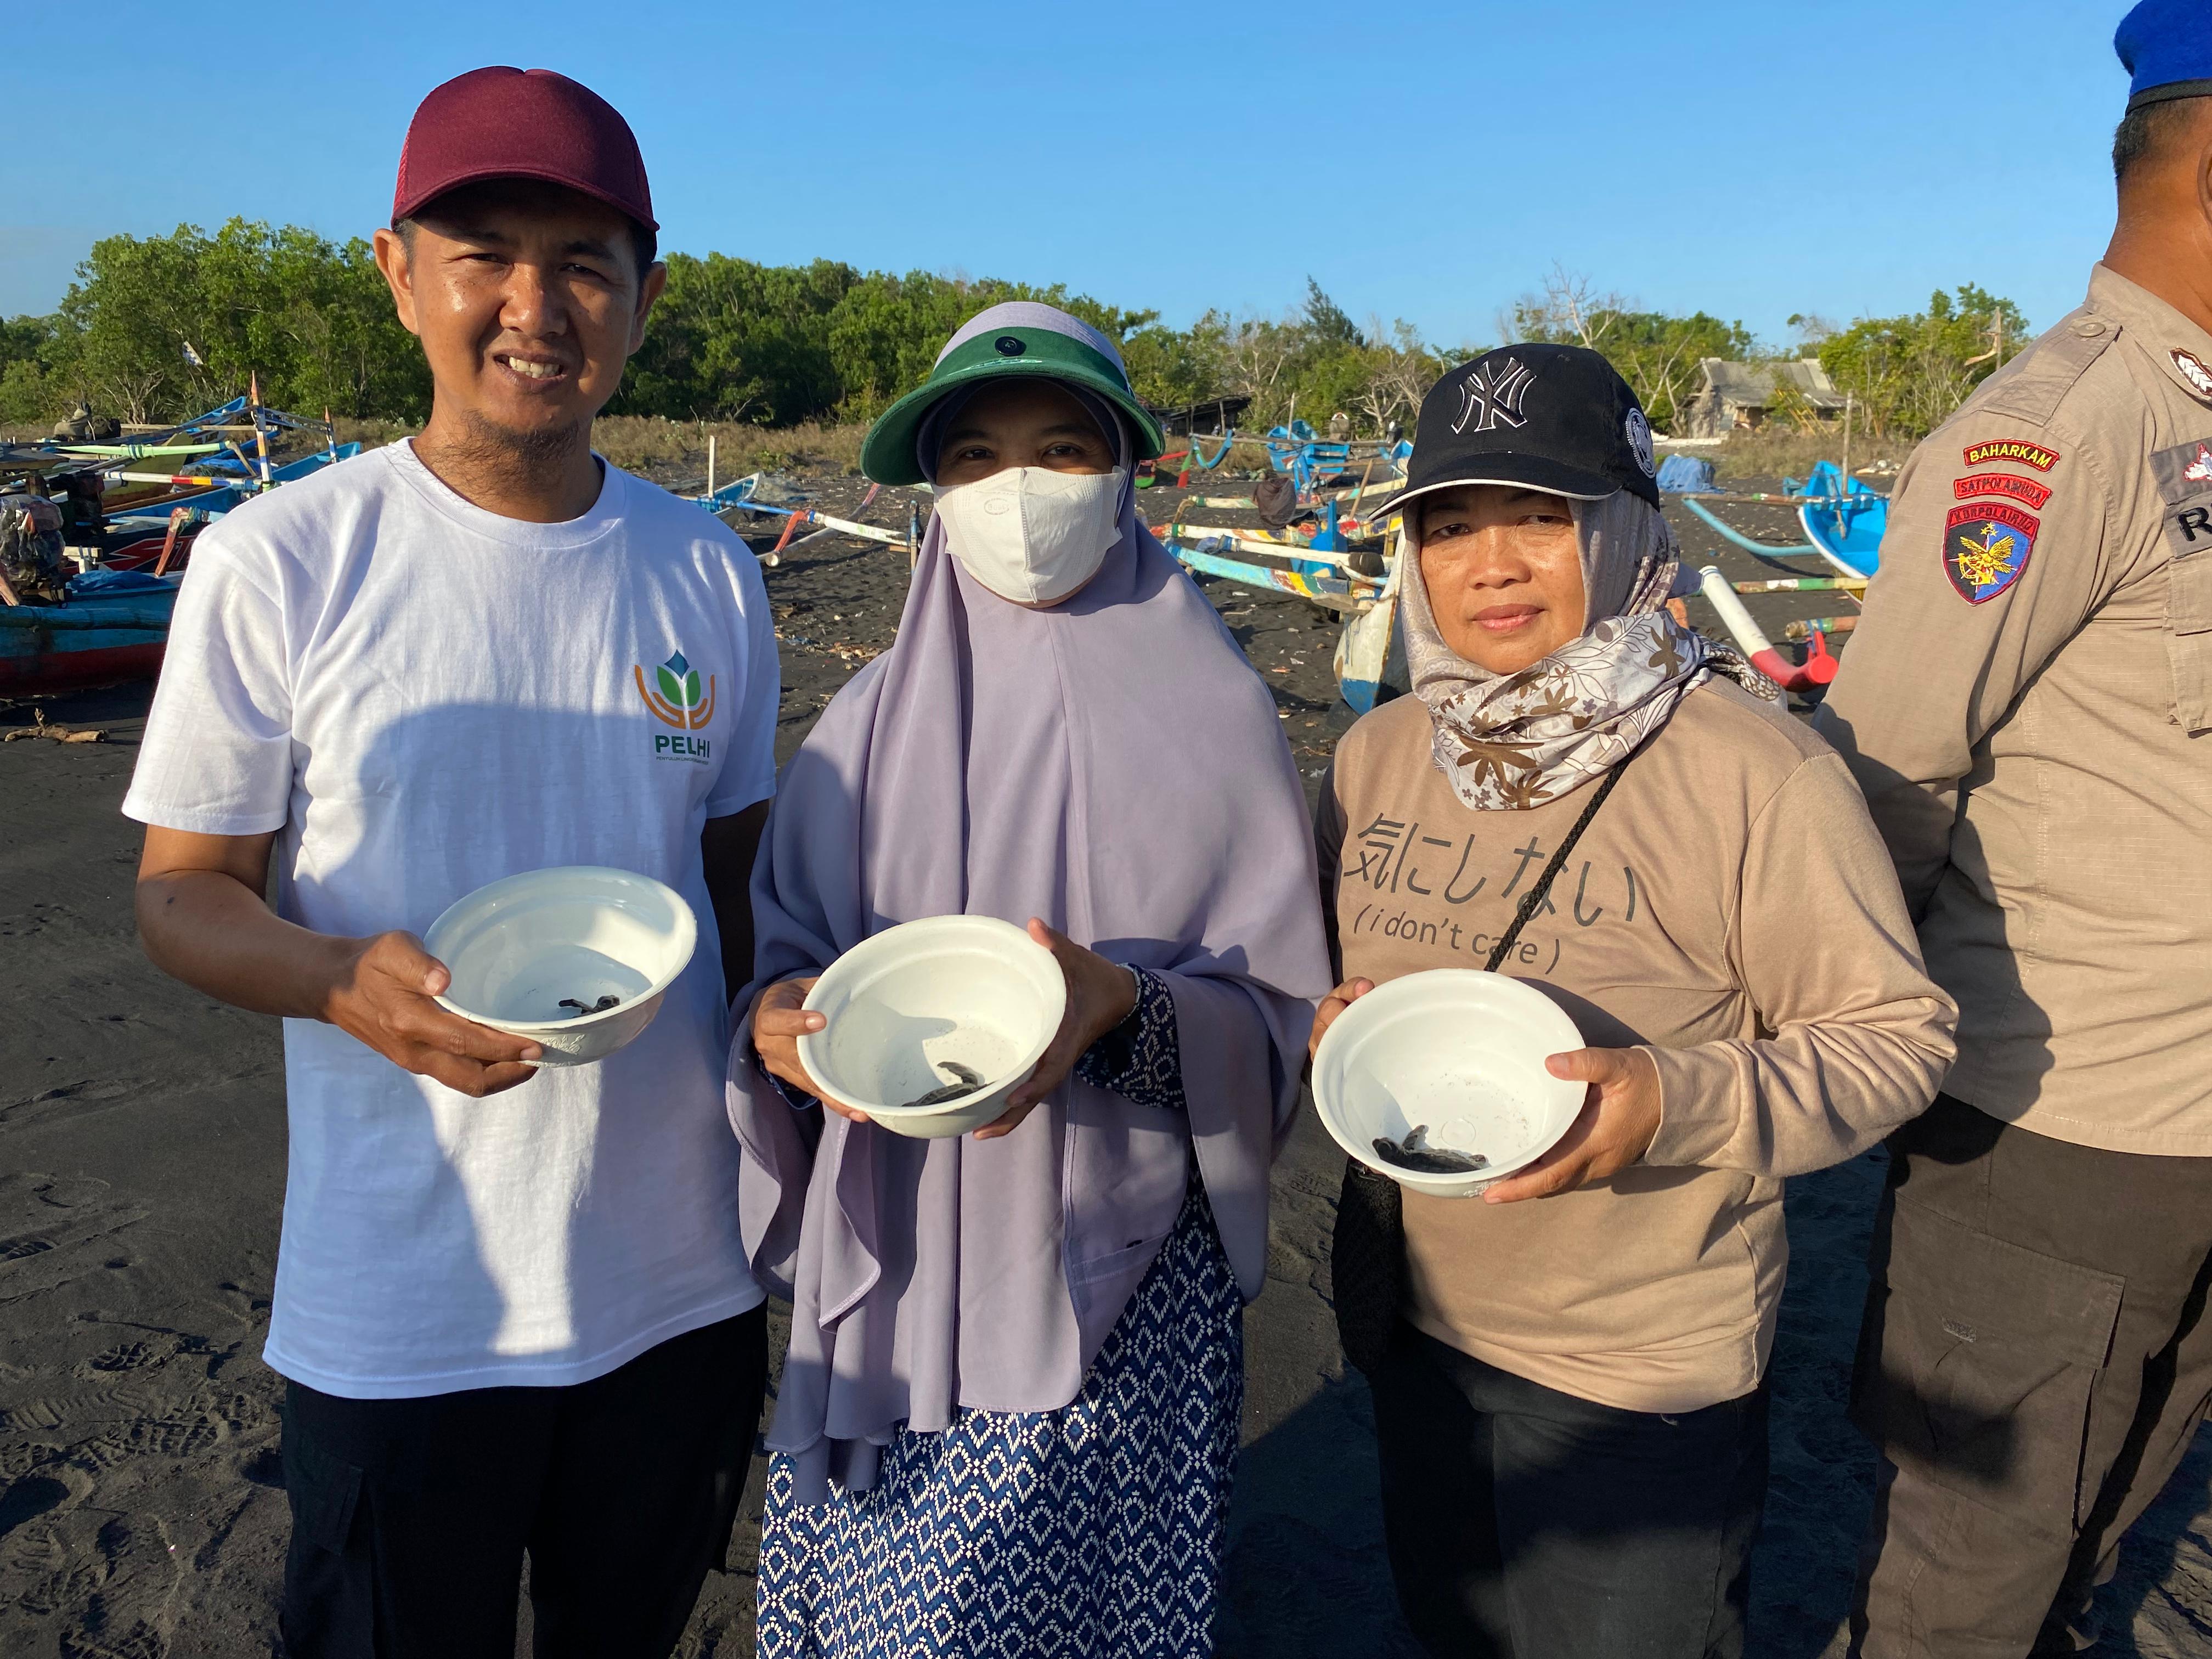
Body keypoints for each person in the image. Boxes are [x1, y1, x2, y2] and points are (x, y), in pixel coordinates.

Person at [122, 68, 778, 1657]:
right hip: (409, 1304)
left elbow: (740, 891)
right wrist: (338, 978)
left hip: (677, 1288)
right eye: (485, 249)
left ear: (646, 292)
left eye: (585, 263)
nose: (535, 305)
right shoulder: (279, 560)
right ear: (397, 267)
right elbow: (183, 891)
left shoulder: (707, 572)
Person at [1310, 344, 1957, 1659]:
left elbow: (1900, 1040)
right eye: (1446, 524)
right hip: (1415, 1322)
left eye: (1540, 517)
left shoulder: (1753, 771)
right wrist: (1336, 1026)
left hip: (1633, 1374)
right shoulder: (1379, 754)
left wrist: (1675, 1096)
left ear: (1623, 528)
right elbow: (1335, 983)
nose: (1488, 563)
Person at [731, 301, 1333, 1656]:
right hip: (901, 1251)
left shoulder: (1221, 712)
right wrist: (774, 1030)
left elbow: (1287, 1020)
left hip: (1123, 1279)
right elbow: (784, 967)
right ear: (934, 494)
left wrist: (1128, 1006)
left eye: (1063, 448)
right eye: (975, 458)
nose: (1019, 493)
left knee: (1093, 1603)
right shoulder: (861, 724)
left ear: (1126, 470)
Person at [1815, 8, 2212, 1652]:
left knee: (2109, 1514)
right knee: (1967, 1581)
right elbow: (1880, 779)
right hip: (2061, 1131)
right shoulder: (2046, 441)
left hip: (2194, 1120)